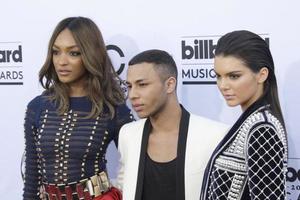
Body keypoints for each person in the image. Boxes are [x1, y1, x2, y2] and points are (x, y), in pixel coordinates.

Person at [23, 17, 133, 200]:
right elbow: (32, 176)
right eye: (56, 52)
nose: (61, 61)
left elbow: (136, 163)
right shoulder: (38, 107)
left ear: (91, 55)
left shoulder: (112, 109)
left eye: (73, 53)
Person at [116, 49, 229, 200]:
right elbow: (125, 187)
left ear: (170, 85)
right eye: (129, 86)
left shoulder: (214, 136)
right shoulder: (128, 135)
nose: (132, 95)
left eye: (142, 84)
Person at [200, 30, 288, 200]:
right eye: (218, 76)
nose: (223, 85)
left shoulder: (262, 129)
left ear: (262, 75)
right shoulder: (251, 122)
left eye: (234, 76)